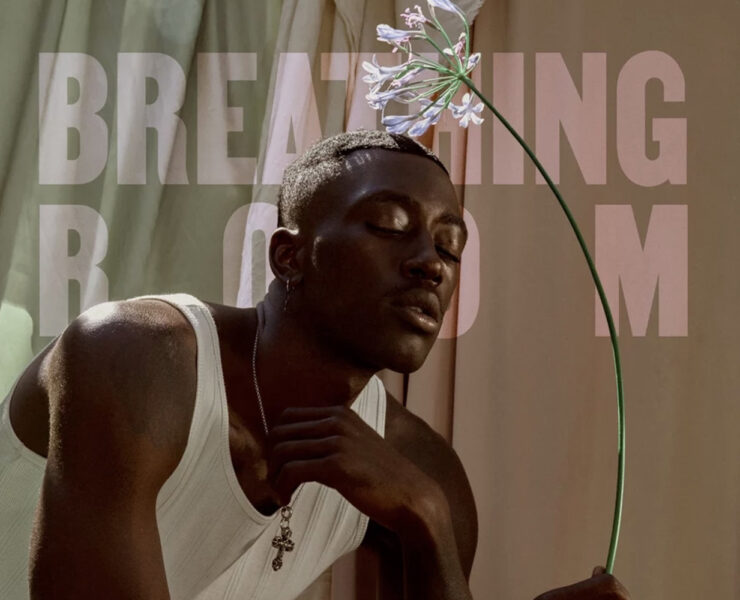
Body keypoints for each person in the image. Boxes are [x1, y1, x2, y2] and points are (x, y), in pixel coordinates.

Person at [0, 130, 630, 599]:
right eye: (389, 224)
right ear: (289, 257)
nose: (430, 264)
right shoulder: (134, 356)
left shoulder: (419, 472)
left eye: (450, 246)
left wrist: (427, 520)